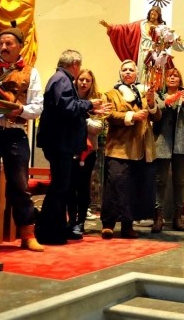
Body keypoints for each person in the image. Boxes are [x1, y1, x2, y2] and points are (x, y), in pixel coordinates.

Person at [0, 25, 45, 251]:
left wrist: (20, 110)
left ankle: (27, 234)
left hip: (15, 133)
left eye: (9, 44)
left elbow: (37, 108)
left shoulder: (31, 73)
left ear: (20, 47)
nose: (3, 47)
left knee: (20, 184)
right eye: (1, 43)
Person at [36, 50, 108, 244]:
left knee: (60, 187)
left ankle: (54, 229)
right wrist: (89, 104)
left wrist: (89, 108)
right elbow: (66, 109)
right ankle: (49, 232)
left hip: (61, 142)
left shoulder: (61, 79)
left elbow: (67, 108)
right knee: (60, 187)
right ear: (75, 64)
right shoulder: (62, 80)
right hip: (60, 142)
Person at [101, 59, 161, 239]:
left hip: (142, 148)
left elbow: (157, 117)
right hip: (119, 147)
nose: (127, 72)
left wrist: (151, 104)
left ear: (136, 73)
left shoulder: (145, 92)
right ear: (120, 73)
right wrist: (131, 116)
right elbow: (108, 115)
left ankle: (128, 225)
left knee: (134, 187)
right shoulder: (111, 94)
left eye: (131, 70)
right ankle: (108, 223)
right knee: (115, 185)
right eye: (124, 70)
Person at [151, 67, 184, 233]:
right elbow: (154, 111)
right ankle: (158, 217)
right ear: (165, 79)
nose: (173, 78)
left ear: (180, 80)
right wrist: (168, 101)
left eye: (176, 76)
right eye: (170, 76)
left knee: (179, 182)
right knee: (160, 182)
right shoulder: (159, 93)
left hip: (181, 143)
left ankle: (178, 218)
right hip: (162, 142)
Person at [66, 68, 107, 238]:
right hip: (69, 150)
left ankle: (81, 222)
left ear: (91, 83)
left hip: (88, 152)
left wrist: (79, 117)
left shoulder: (96, 102)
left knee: (83, 188)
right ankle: (71, 221)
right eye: (81, 79)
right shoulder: (70, 98)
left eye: (87, 80)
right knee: (70, 188)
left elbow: (98, 127)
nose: (83, 83)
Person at [99, 6, 184, 86]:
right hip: (142, 51)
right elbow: (125, 29)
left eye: (155, 14)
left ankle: (155, 91)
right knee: (142, 72)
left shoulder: (162, 27)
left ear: (158, 16)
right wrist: (109, 26)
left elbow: (172, 38)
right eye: (151, 14)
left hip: (156, 53)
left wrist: (177, 41)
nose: (152, 16)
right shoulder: (141, 24)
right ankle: (141, 88)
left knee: (155, 75)